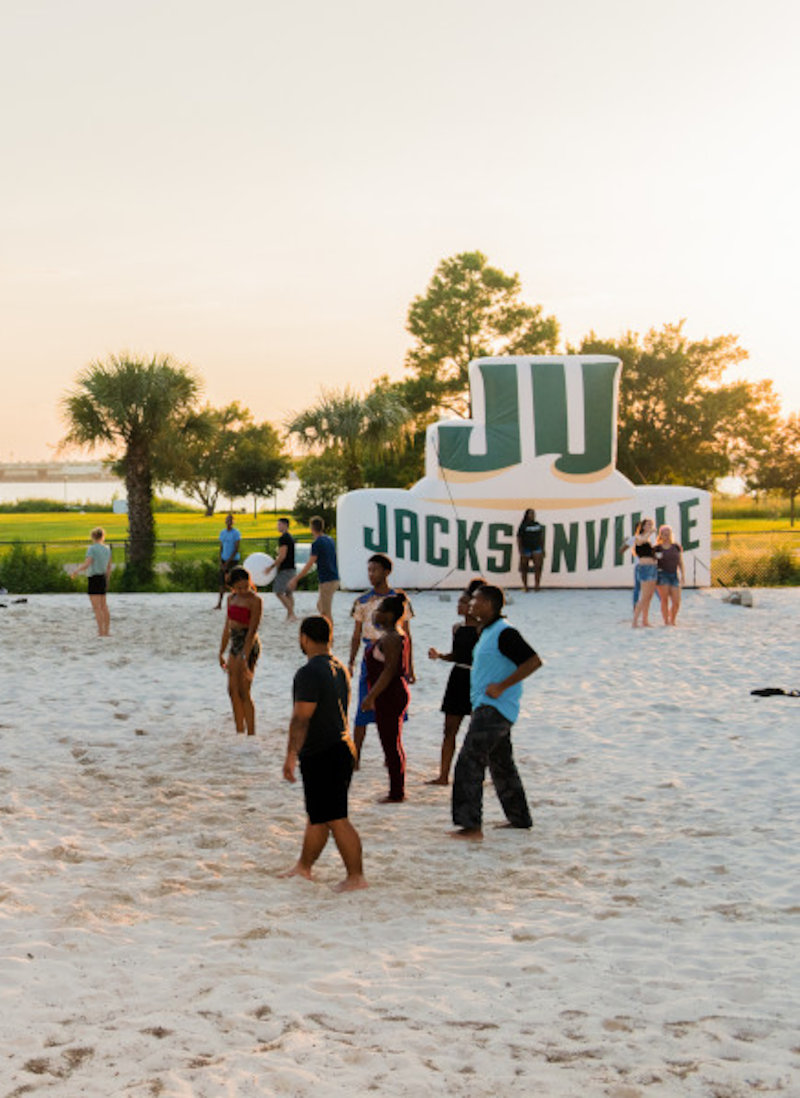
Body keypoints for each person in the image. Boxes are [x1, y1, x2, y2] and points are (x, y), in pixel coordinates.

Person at [280, 615, 367, 892]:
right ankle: (303, 867)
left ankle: (356, 877)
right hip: (342, 746)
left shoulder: (309, 672)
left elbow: (301, 719)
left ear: (304, 638)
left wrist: (290, 756)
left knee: (335, 816)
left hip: (324, 751)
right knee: (319, 814)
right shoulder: (339, 667)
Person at [451, 584, 542, 841]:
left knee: (469, 762)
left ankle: (470, 826)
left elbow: (533, 661)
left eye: (476, 601)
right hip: (488, 706)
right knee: (502, 765)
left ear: (490, 604)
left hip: (495, 708)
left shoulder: (505, 632)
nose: (471, 604)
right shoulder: (488, 631)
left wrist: (502, 686)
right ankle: (519, 818)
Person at [348, 553, 414, 765]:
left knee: (394, 706)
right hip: (371, 653)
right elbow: (356, 634)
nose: (371, 574)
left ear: (386, 572)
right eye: (369, 570)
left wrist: (410, 667)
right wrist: (351, 660)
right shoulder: (363, 601)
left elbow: (407, 634)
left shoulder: (398, 600)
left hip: (393, 651)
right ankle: (356, 755)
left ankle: (392, 753)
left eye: (375, 569)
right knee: (363, 705)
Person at [426, 577, 485, 785]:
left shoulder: (482, 629)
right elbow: (457, 655)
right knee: (449, 729)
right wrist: (440, 656)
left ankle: (482, 774)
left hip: (476, 678)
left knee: (480, 731)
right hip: (458, 677)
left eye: (462, 602)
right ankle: (443, 775)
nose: (458, 605)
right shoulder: (457, 628)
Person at [362, 594, 412, 803]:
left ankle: (397, 792)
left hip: (389, 694)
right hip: (392, 693)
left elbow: (389, 670)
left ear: (390, 615)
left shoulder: (391, 637)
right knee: (393, 742)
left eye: (381, 610)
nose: (377, 614)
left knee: (390, 744)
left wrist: (371, 696)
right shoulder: (394, 635)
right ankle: (396, 788)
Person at [218, 566, 263, 736]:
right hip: (234, 641)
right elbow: (227, 627)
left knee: (244, 690)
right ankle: (239, 730)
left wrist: (245, 655)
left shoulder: (255, 600)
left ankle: (251, 733)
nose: (243, 590)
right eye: (239, 588)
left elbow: (252, 630)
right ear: (233, 587)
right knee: (232, 690)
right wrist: (221, 651)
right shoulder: (231, 599)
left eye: (246, 586)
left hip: (249, 643)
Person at [286, 516, 340, 622]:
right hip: (334, 578)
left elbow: (309, 564)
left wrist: (295, 579)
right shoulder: (329, 540)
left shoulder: (317, 543)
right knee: (320, 606)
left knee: (325, 612)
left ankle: (329, 636)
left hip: (327, 580)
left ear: (312, 528)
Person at [72, 527, 112, 636]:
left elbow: (87, 563)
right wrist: (107, 580)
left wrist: (76, 571)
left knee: (97, 607)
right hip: (103, 577)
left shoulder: (92, 549)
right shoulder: (107, 549)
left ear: (93, 537)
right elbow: (109, 567)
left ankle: (100, 631)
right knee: (104, 606)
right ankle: (107, 631)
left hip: (94, 578)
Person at [263, 517, 297, 623]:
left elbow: (282, 556)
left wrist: (271, 567)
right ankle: (290, 615)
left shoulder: (283, 538)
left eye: (279, 524)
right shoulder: (290, 537)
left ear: (285, 525)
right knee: (288, 593)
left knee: (278, 591)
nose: (278, 526)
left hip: (286, 569)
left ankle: (291, 614)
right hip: (291, 568)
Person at [654, 524, 685, 626]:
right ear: (661, 535)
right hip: (662, 575)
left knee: (676, 601)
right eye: (664, 534)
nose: (667, 536)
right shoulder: (657, 548)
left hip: (674, 575)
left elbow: (680, 562)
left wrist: (683, 574)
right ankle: (666, 621)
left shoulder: (676, 546)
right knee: (664, 599)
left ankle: (672, 619)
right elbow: (653, 562)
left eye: (668, 533)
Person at [632, 518, 658, 628]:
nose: (650, 526)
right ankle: (635, 621)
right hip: (645, 568)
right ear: (643, 526)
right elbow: (640, 541)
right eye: (648, 524)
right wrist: (649, 533)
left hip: (652, 567)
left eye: (651, 524)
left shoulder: (649, 540)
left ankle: (645, 620)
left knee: (649, 596)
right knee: (644, 596)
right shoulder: (638, 537)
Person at [215, 513, 241, 610]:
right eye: (227, 520)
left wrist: (228, 562)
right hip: (224, 559)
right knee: (222, 582)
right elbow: (221, 547)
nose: (229, 522)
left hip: (233, 560)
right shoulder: (223, 533)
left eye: (230, 520)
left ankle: (235, 603)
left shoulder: (236, 533)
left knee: (233, 581)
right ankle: (219, 603)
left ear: (233, 522)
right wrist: (221, 560)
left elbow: (236, 549)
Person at [516, 508, 545, 592]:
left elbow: (541, 537)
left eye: (533, 514)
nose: (532, 515)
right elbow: (519, 538)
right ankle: (525, 586)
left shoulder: (537, 525)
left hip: (537, 547)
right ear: (527, 515)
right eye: (531, 514)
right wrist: (520, 549)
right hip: (526, 548)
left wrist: (543, 549)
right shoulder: (523, 526)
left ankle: (537, 585)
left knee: (538, 566)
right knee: (524, 567)